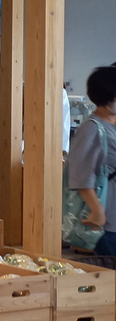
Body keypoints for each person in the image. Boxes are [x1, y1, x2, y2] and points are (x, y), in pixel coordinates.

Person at [70, 66, 116, 254]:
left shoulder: (112, 124)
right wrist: (97, 211)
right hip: (107, 221)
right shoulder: (91, 129)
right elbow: (80, 175)